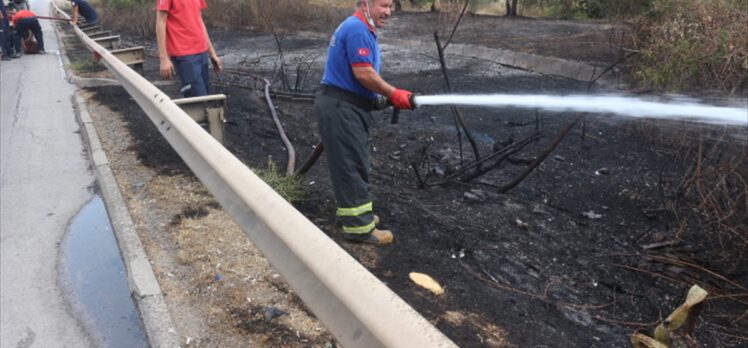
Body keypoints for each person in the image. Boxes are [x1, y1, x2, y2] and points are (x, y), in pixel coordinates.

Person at [315, 0, 415, 246]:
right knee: (352, 166)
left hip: (343, 106)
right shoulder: (358, 29)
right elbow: (364, 74)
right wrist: (393, 93)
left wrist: (382, 101)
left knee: (348, 163)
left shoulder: (359, 28)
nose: (388, 12)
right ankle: (359, 228)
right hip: (342, 110)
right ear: (366, 4)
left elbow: (354, 83)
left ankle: (351, 214)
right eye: (383, 5)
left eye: (391, 6)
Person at [156, 0, 222, 98]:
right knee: (198, 101)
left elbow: (199, 21)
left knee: (206, 97)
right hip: (184, 55)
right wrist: (164, 58)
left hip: (202, 52)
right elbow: (160, 23)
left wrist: (212, 53)